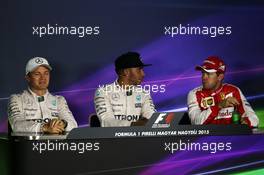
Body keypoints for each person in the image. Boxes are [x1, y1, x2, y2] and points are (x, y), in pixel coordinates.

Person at [8, 57, 78, 133]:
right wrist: (44, 127)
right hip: (28, 144)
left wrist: (63, 124)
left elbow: (73, 125)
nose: (43, 78)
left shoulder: (59, 100)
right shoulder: (17, 99)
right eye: (37, 74)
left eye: (46, 73)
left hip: (55, 144)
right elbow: (16, 125)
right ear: (28, 77)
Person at [187, 56, 259, 127]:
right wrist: (219, 105)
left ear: (220, 77)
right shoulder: (194, 94)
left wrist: (246, 122)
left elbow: (254, 119)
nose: (204, 77)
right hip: (206, 138)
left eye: (208, 74)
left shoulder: (234, 91)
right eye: (203, 73)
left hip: (232, 138)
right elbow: (196, 123)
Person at [94, 52, 156, 127]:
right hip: (113, 138)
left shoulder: (144, 93)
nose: (143, 74)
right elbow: (107, 122)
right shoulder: (103, 92)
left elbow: (152, 120)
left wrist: (141, 124)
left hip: (138, 137)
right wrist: (135, 124)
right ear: (125, 72)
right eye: (139, 70)